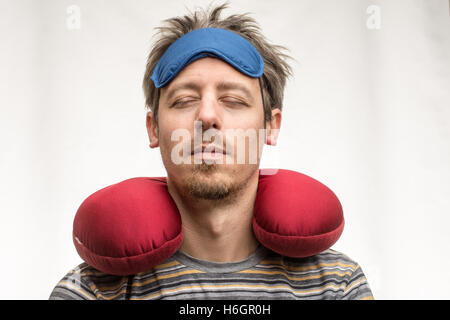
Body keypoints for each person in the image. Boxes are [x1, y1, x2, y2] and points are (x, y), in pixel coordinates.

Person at [50, 3, 373, 300]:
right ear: (154, 128)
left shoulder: (336, 284)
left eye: (233, 100)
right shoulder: (89, 291)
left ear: (270, 126)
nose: (207, 116)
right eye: (184, 100)